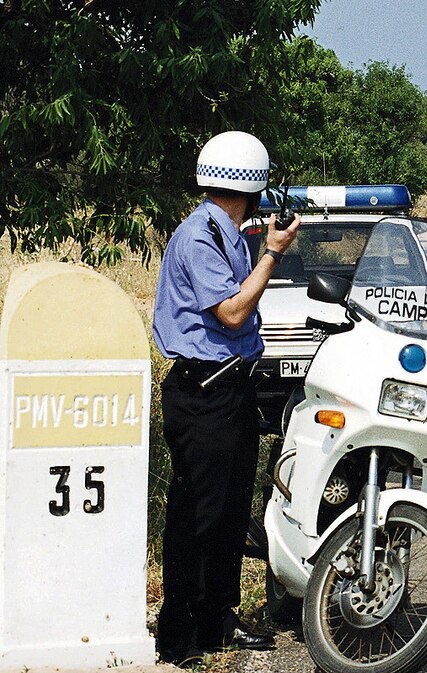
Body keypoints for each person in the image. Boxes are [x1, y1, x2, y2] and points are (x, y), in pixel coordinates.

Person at [152, 131, 301, 665]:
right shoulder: (200, 238)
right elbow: (233, 313)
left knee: (232, 512)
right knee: (198, 515)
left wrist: (261, 249)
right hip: (203, 391)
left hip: (231, 387)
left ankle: (218, 622)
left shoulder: (226, 233)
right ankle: (179, 638)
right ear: (253, 184)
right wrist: (273, 256)